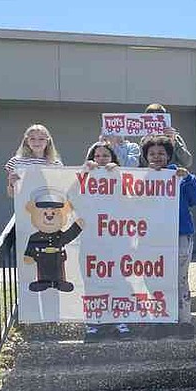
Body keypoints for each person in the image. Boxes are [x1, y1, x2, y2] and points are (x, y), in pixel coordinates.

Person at [142, 134, 196, 338]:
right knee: (154, 280)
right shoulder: (138, 177)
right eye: (152, 153)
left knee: (180, 280)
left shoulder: (180, 175)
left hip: (180, 234)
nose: (157, 157)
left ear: (169, 156)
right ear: (146, 156)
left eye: (161, 153)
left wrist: (187, 179)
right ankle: (159, 320)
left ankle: (184, 321)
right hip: (151, 237)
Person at [81, 142, 126, 340]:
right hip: (90, 238)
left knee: (118, 281)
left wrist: (118, 174)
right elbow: (70, 195)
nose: (101, 159)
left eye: (105, 156)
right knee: (92, 282)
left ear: (113, 158)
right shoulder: (84, 176)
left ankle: (120, 321)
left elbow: (133, 196)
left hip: (115, 237)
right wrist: (84, 173)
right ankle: (93, 324)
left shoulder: (120, 175)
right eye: (97, 155)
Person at [4, 124, 62, 196]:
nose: (36, 142)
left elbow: (59, 190)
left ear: (48, 141)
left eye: (41, 139)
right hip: (24, 205)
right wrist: (12, 184)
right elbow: (11, 194)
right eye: (32, 139)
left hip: (49, 205)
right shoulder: (16, 161)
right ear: (27, 141)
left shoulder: (56, 163)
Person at [140, 103, 193, 168]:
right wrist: (145, 146)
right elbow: (142, 165)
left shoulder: (175, 137)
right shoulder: (144, 140)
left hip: (171, 176)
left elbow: (187, 162)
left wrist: (175, 142)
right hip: (152, 177)